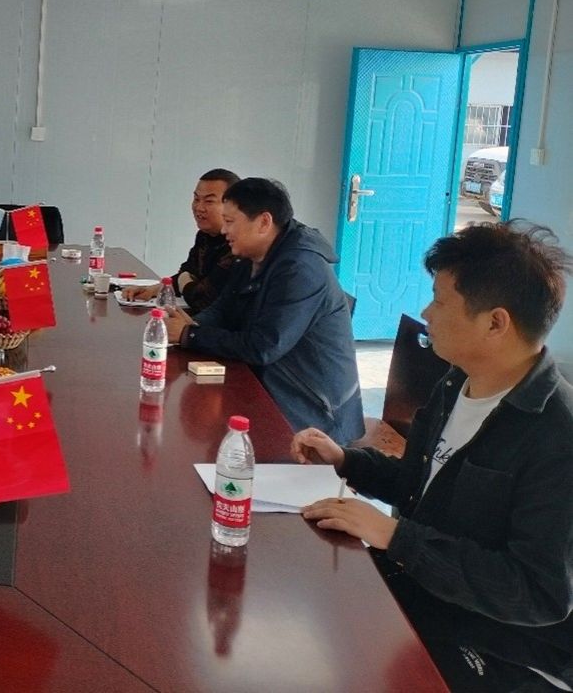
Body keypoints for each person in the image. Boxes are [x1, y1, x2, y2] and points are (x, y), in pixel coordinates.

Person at [295, 222, 573, 692]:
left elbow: (536, 593)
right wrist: (345, 460)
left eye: (440, 301)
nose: (426, 312)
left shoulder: (556, 435)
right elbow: (421, 483)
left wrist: (397, 537)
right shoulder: (456, 383)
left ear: (495, 323)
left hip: (499, 647)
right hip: (424, 592)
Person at [167, 177, 364, 444]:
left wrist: (190, 335)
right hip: (268, 386)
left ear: (263, 222)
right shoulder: (249, 255)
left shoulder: (301, 270)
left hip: (311, 413)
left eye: (230, 222)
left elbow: (264, 347)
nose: (224, 230)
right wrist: (189, 326)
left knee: (214, 442)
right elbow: (222, 309)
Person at [123, 168, 240, 311]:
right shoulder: (204, 236)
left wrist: (184, 281)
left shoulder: (237, 246)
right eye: (196, 199)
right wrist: (154, 289)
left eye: (209, 201)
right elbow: (187, 272)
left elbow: (203, 299)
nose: (199, 208)